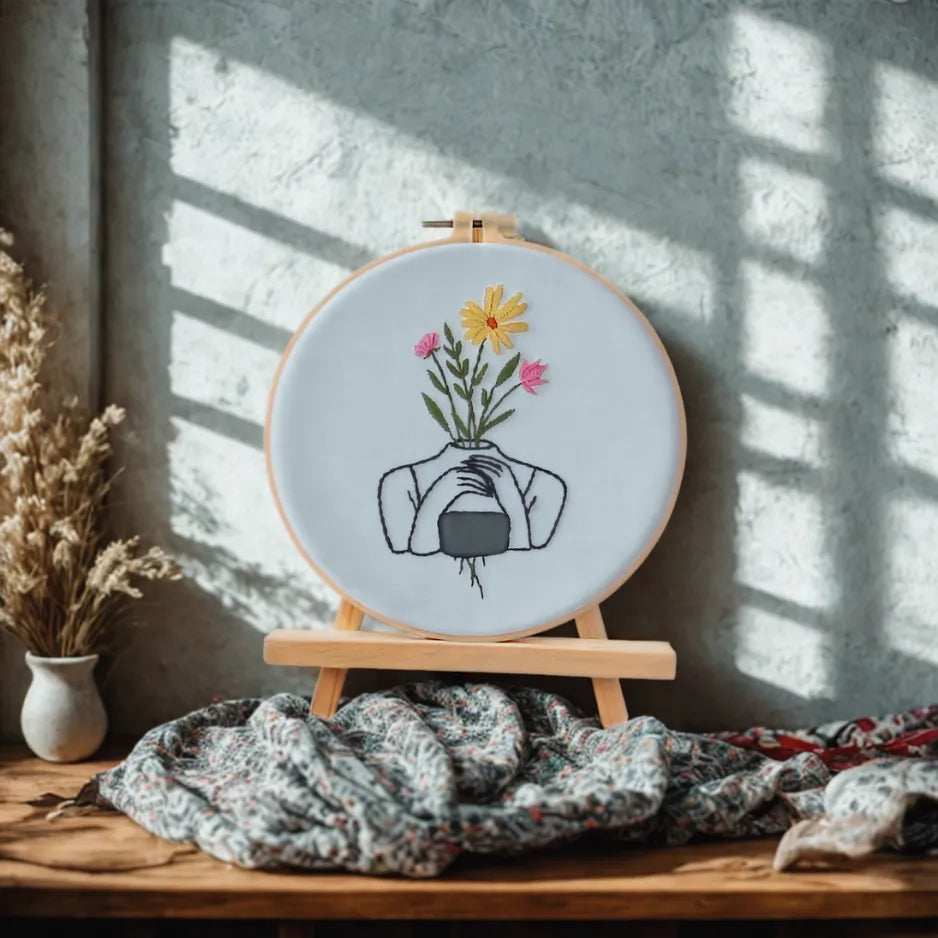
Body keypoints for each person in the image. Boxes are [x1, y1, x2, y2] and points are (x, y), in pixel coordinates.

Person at [378, 439, 566, 558]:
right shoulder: (401, 483)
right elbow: (408, 569)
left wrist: (512, 499)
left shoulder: (544, 486)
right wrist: (434, 502)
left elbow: (527, 570)